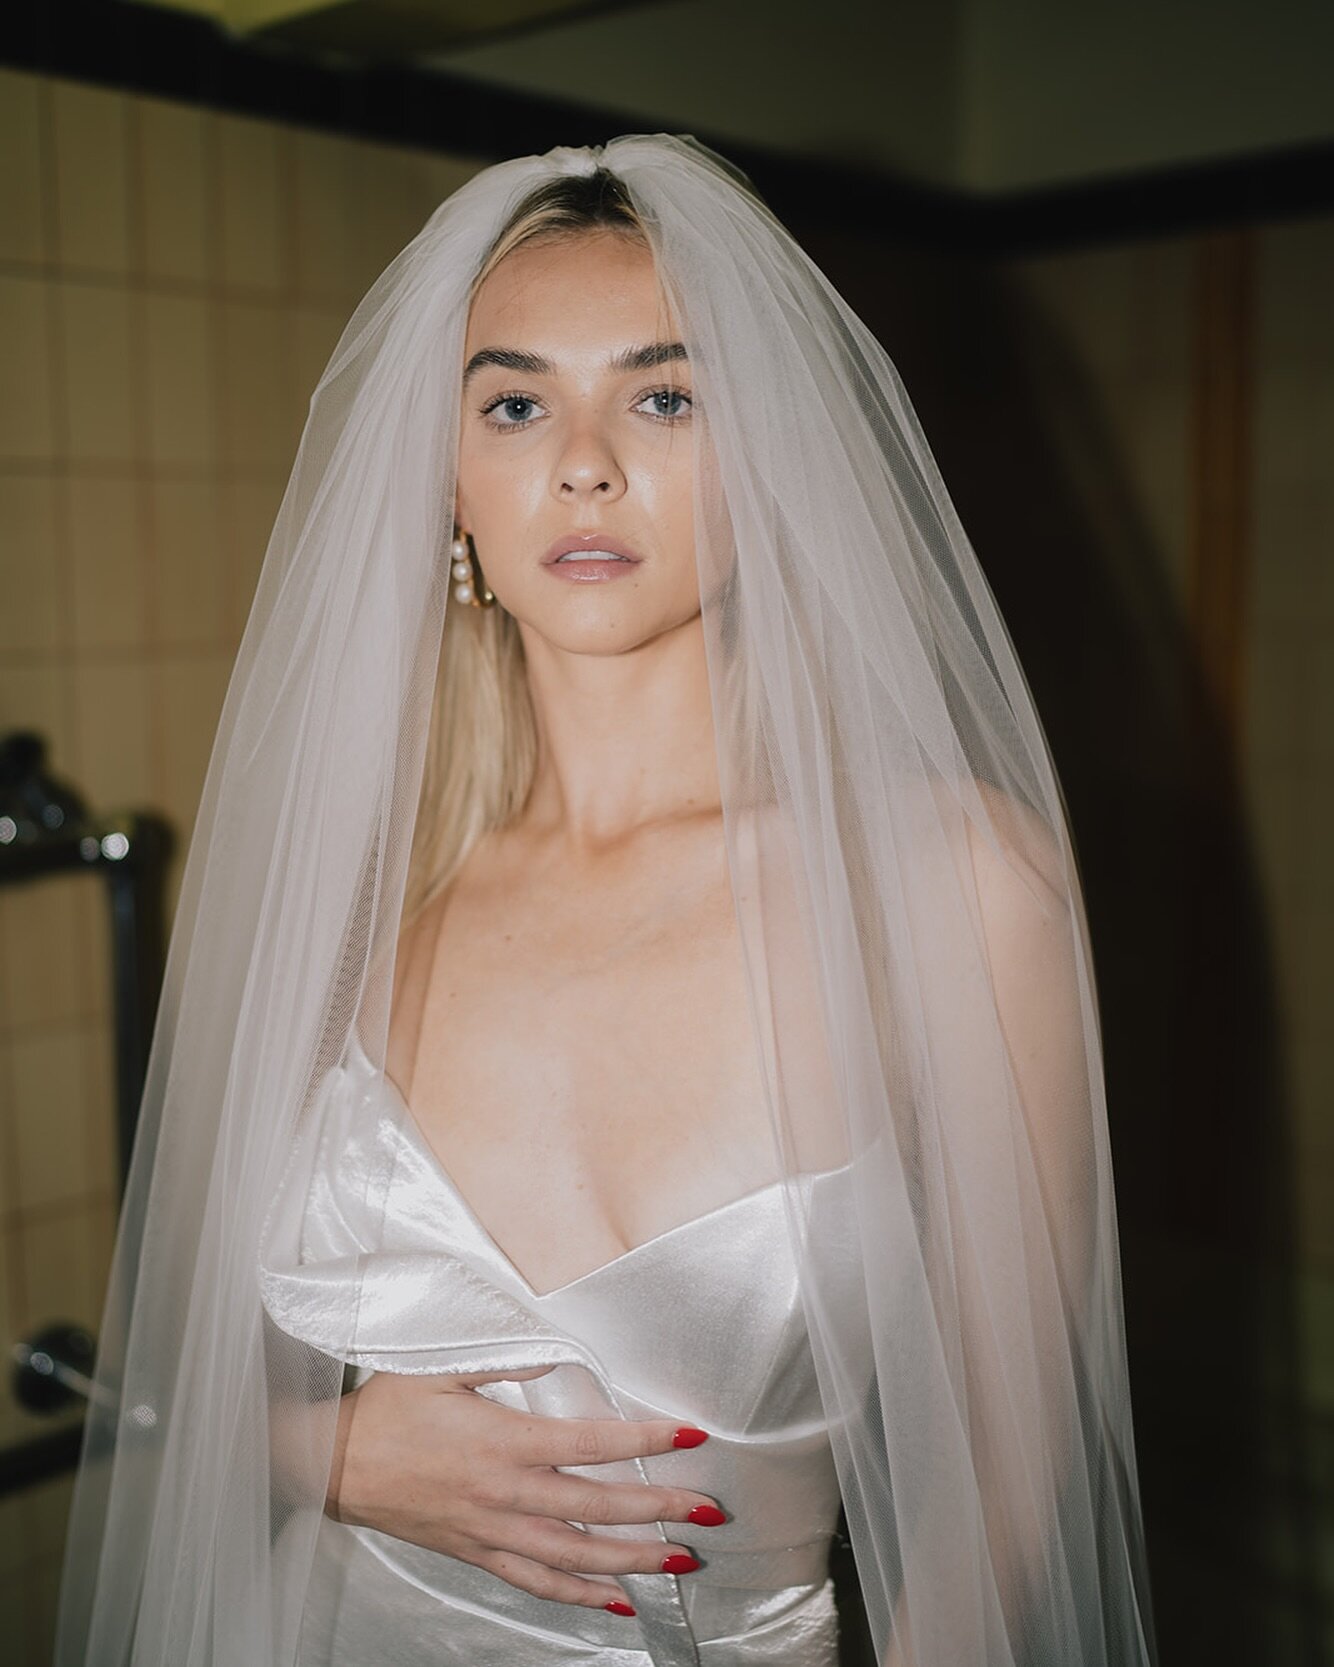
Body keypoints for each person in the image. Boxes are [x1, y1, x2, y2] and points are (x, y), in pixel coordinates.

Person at [53, 135, 1159, 1667]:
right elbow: (207, 1362)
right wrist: (324, 1455)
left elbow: (1009, 1466)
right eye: (514, 403)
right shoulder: (368, 899)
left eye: (662, 395)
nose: (582, 460)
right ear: (445, 476)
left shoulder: (949, 889)